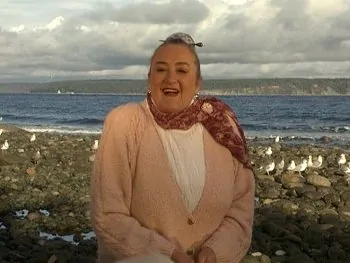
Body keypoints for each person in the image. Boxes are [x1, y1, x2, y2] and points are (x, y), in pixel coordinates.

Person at [90, 32, 255, 263]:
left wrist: (215, 252)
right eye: (161, 69)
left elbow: (241, 211)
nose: (170, 78)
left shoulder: (222, 125)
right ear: (149, 78)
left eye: (182, 70)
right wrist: (169, 254)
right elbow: (108, 216)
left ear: (197, 81)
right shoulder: (125, 122)